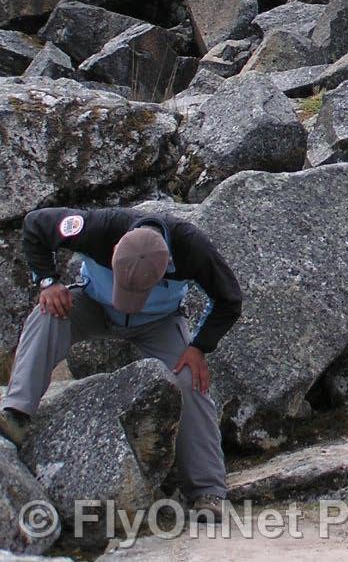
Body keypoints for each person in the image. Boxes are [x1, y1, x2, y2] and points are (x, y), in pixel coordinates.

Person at [0, 207, 244, 520]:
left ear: (168, 263)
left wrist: (199, 347)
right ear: (115, 249)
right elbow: (35, 224)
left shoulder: (192, 247)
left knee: (189, 378)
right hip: (94, 304)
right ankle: (17, 413)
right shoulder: (96, 227)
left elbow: (229, 299)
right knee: (46, 316)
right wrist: (48, 282)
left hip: (158, 321)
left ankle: (208, 492)